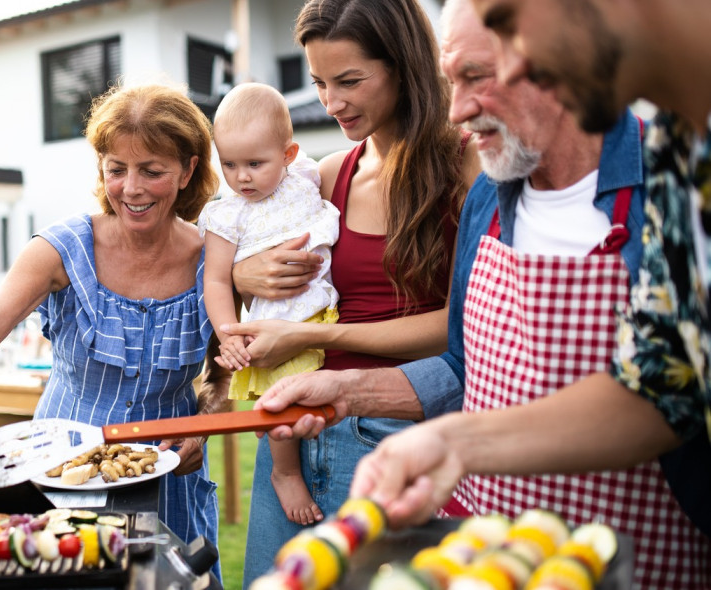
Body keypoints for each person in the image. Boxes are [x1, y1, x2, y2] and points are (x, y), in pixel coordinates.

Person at [257, 0, 711, 585]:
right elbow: (654, 386)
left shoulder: (660, 174)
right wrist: (353, 391)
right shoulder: (489, 204)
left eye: (479, 75)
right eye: (452, 81)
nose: (457, 110)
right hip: (492, 556)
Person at [0, 83, 230, 578]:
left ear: (188, 169)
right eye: (116, 169)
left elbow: (222, 377)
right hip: (61, 475)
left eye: (152, 171)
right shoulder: (63, 249)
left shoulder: (214, 261)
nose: (131, 188)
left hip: (170, 485)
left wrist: (201, 430)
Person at [228, 0, 480, 584]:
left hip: (390, 435)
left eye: (349, 81)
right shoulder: (323, 175)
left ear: (403, 65)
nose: (330, 102)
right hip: (289, 433)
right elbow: (230, 239)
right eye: (318, 82)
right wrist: (244, 275)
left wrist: (313, 334)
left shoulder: (464, 165)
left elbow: (468, 326)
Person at [197, 82, 340, 525]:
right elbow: (217, 282)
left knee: (318, 407)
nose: (241, 177)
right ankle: (285, 472)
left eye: (255, 164)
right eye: (229, 164)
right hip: (275, 321)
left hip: (326, 311)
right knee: (279, 402)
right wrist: (228, 334)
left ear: (289, 155)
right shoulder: (227, 214)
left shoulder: (308, 177)